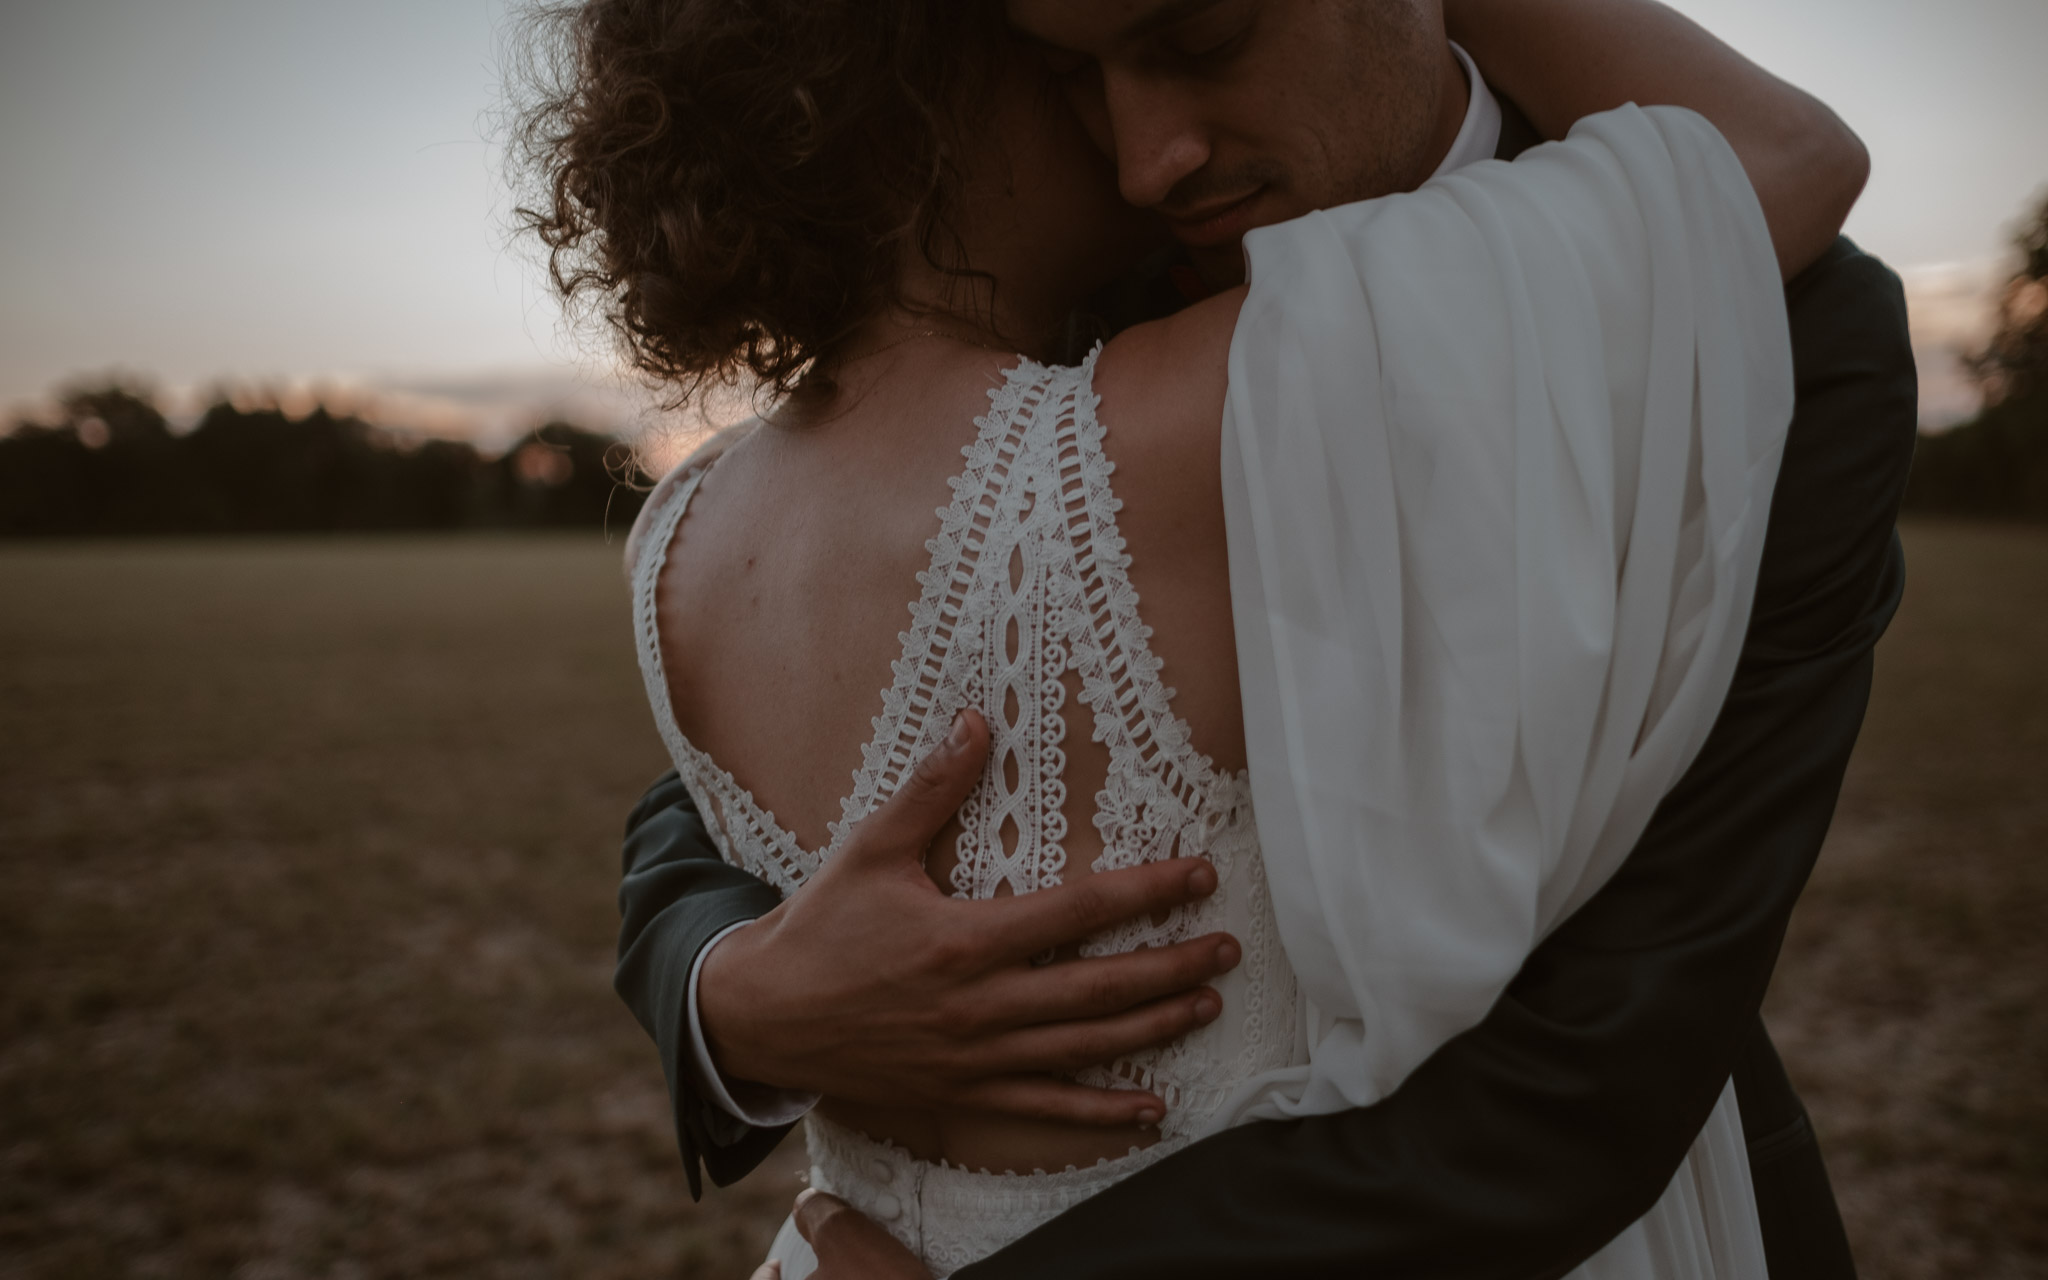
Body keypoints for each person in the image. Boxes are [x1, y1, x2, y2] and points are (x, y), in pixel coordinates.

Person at [517, 0, 1917, 1275]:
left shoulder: (1792, 319)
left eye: (1197, 39)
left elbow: (1590, 1072)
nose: (1146, 160)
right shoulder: (1086, 299)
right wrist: (731, 1000)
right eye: (1071, 74)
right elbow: (729, 803)